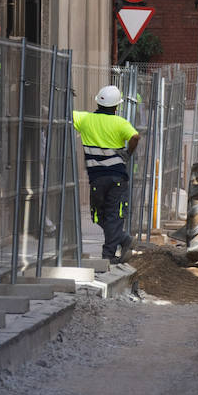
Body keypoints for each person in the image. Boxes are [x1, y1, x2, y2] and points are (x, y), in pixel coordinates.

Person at [72, 84, 139, 263]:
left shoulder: (85, 120)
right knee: (113, 216)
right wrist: (128, 153)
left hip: (97, 178)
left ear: (98, 102)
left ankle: (108, 256)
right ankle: (124, 240)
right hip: (117, 177)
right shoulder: (120, 123)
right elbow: (135, 137)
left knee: (99, 215)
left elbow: (67, 115)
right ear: (117, 106)